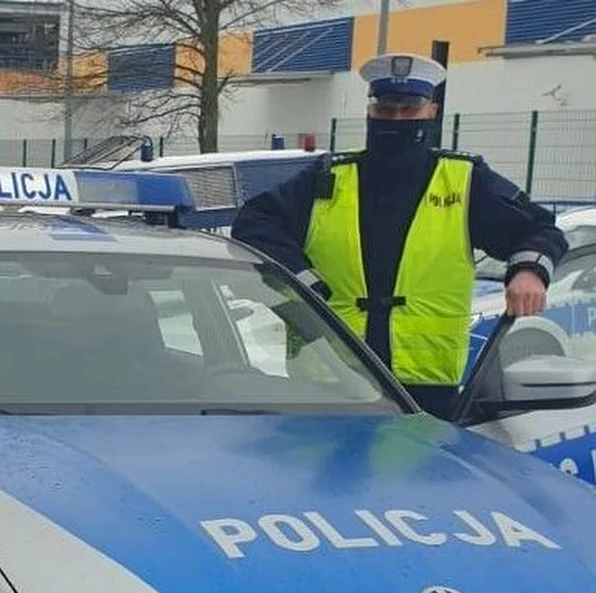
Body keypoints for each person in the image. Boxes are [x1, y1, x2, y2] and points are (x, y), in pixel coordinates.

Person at [230, 52, 568, 419]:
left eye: (408, 110)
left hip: (424, 391)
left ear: (431, 111)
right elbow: (255, 222)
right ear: (370, 111)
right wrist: (303, 284)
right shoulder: (327, 179)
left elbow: (539, 229)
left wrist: (529, 272)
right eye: (386, 109)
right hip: (327, 378)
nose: (396, 119)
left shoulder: (464, 180)